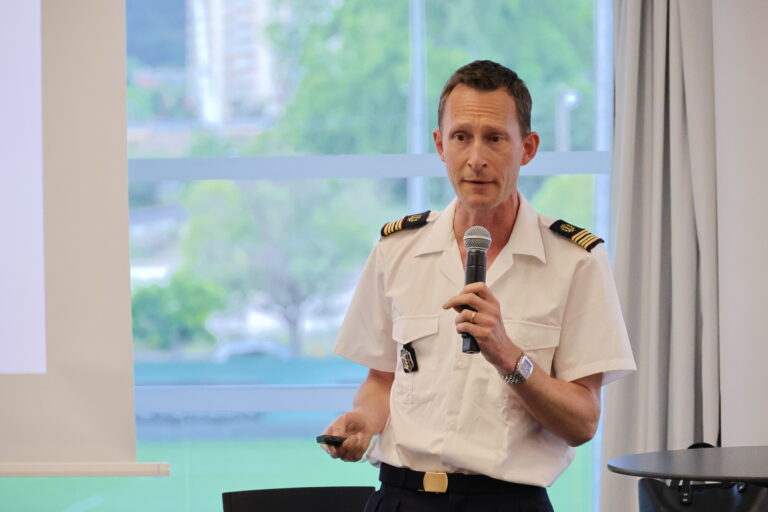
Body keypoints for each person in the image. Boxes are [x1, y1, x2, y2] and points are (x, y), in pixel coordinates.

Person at [320, 60, 636, 511]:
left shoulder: (576, 261)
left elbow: (582, 422)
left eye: (495, 138)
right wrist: (362, 420)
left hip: (505, 502)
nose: (476, 158)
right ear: (439, 145)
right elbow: (381, 379)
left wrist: (508, 355)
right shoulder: (398, 249)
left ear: (528, 148)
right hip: (399, 498)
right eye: (461, 137)